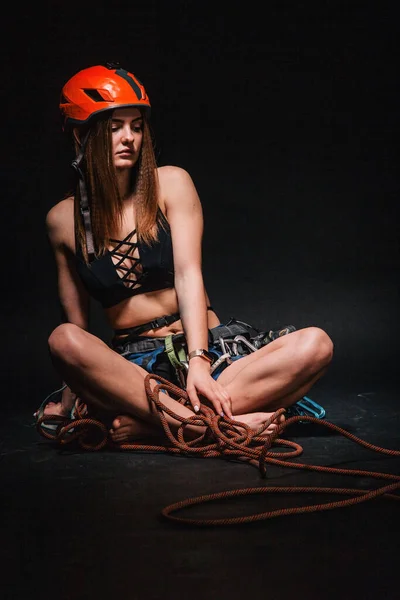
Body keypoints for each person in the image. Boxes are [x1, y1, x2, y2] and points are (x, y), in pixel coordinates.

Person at [38, 62, 333, 445]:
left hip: (211, 349)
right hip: (136, 369)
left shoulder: (171, 183)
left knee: (315, 344)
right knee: (63, 340)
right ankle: (213, 427)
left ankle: (156, 428)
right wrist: (69, 398)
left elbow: (188, 275)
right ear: (81, 135)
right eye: (114, 128)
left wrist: (198, 360)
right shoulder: (61, 220)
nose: (129, 138)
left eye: (136, 126)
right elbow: (77, 326)